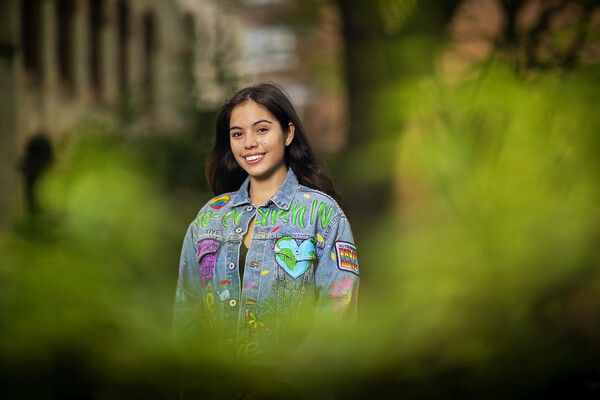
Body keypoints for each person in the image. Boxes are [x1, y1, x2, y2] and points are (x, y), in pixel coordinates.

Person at [173, 82, 359, 379]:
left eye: (261, 130)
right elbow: (188, 313)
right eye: (237, 134)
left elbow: (337, 314)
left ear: (288, 134)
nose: (249, 143)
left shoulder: (322, 215)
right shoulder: (209, 219)